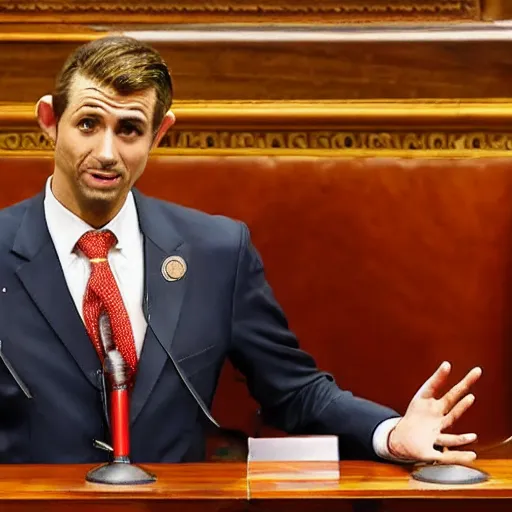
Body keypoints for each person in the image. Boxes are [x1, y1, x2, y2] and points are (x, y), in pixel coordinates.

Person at [0, 36, 481, 464]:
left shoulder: (217, 252)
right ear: (49, 119)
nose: (107, 152)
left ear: (158, 133)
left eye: (128, 129)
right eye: (88, 123)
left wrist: (390, 433)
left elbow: (294, 391)